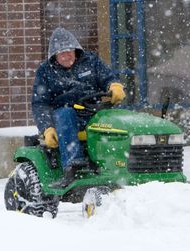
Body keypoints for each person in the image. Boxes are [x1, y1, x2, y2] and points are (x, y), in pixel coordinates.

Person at [32, 27, 125, 188]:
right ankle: (73, 164)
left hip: (92, 111)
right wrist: (46, 128)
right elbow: (40, 104)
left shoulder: (91, 61)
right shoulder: (45, 71)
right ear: (55, 55)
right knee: (66, 114)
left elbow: (107, 77)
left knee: (117, 120)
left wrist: (114, 86)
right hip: (64, 116)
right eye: (62, 52)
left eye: (69, 50)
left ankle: (119, 164)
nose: (67, 55)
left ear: (76, 50)